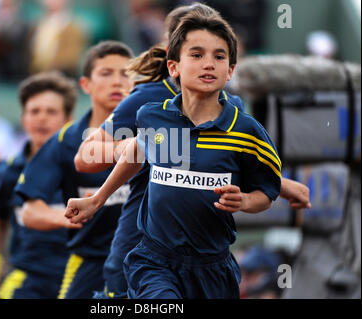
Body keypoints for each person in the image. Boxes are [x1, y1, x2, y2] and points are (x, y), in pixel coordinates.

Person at [73, 3, 311, 299]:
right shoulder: (150, 101)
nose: (207, 62)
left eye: (219, 54)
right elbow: (86, 156)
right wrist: (140, 146)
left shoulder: (233, 110)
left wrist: (279, 187)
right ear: (174, 55)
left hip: (207, 262)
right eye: (196, 53)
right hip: (144, 253)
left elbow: (222, 159)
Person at [15, 41, 134, 299]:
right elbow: (29, 211)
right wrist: (65, 217)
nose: (117, 82)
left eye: (126, 74)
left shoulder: (155, 135)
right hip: (89, 262)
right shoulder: (65, 141)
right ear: (86, 85)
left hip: (145, 264)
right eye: (106, 73)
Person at [0, 71, 79, 299]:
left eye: (51, 112)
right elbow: (0, 221)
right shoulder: (5, 171)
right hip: (27, 280)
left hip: (78, 280)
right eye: (34, 111)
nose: (42, 118)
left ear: (68, 120)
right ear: (23, 119)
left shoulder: (86, 169)